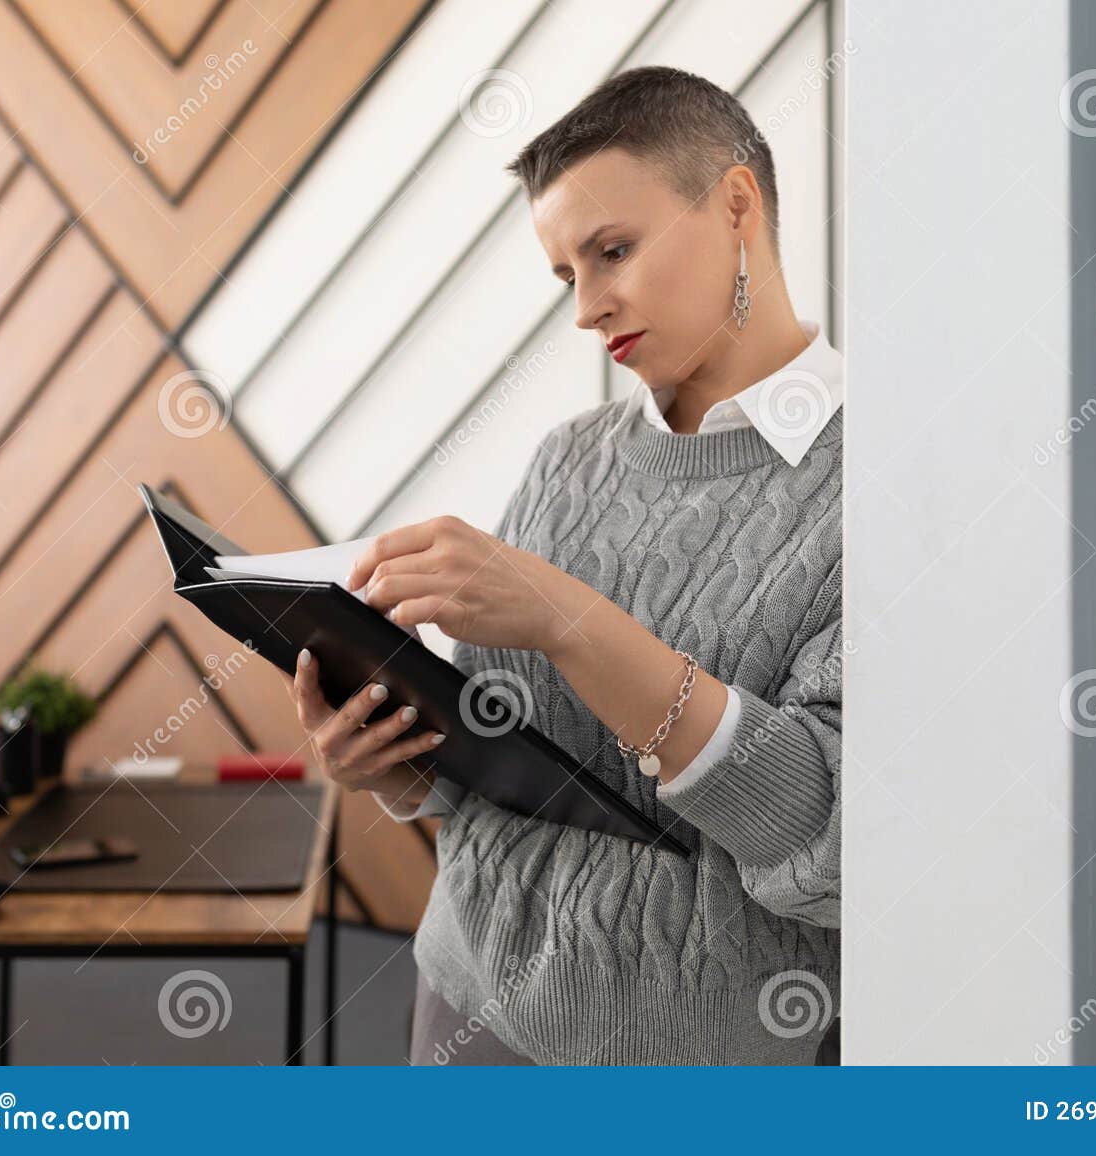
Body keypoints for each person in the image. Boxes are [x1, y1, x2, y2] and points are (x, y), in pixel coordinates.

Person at [281, 65, 841, 1065]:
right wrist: (400, 770)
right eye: (565, 275)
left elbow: (829, 835)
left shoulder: (874, 479)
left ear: (736, 206)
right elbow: (504, 749)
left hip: (699, 1057)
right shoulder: (568, 459)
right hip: (463, 1000)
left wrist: (567, 619)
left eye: (612, 251)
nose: (586, 308)